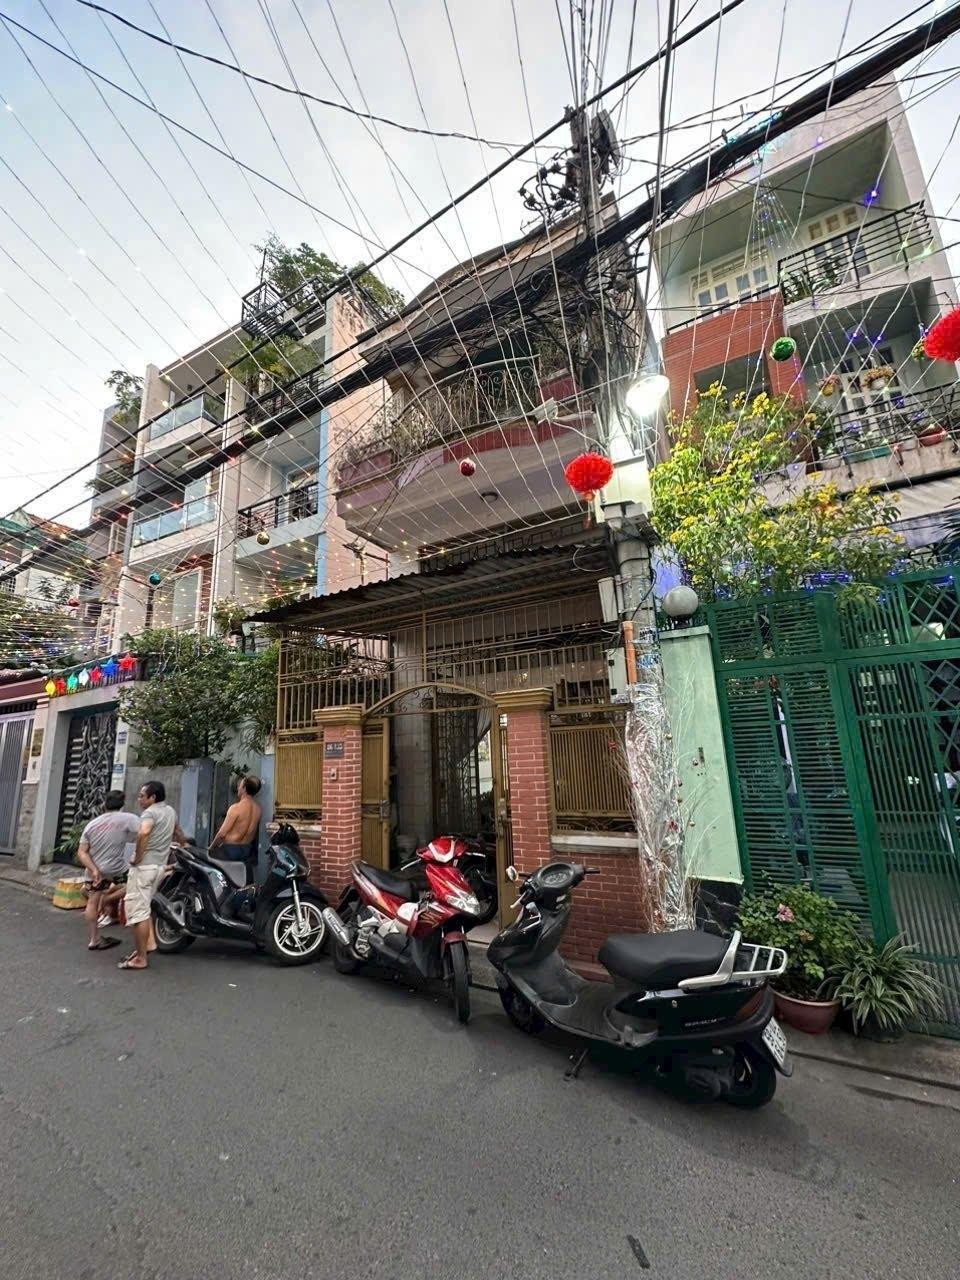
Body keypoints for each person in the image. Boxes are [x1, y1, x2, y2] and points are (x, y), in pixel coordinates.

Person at [119, 780, 187, 972]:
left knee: (138, 913)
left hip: (144, 868)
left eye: (142, 796)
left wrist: (138, 857)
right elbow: (178, 831)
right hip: (159, 868)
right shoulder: (170, 811)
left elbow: (143, 833)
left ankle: (141, 958)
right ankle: (148, 945)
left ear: (153, 797)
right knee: (145, 907)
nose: (139, 799)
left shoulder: (149, 813)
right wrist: (184, 846)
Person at [76, 790, 139, 951]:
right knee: (136, 885)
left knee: (92, 901)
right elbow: (145, 833)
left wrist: (94, 870)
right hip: (116, 869)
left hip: (94, 870)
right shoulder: (128, 818)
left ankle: (94, 940)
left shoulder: (92, 825)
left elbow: (81, 852)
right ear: (122, 804)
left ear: (105, 804)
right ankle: (141, 936)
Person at [209, 775, 263, 885]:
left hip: (230, 850)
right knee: (242, 881)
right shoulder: (258, 809)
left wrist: (211, 847)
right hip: (246, 849)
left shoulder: (235, 808)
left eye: (240, 786)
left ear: (244, 789)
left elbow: (221, 834)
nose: (238, 788)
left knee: (220, 879)